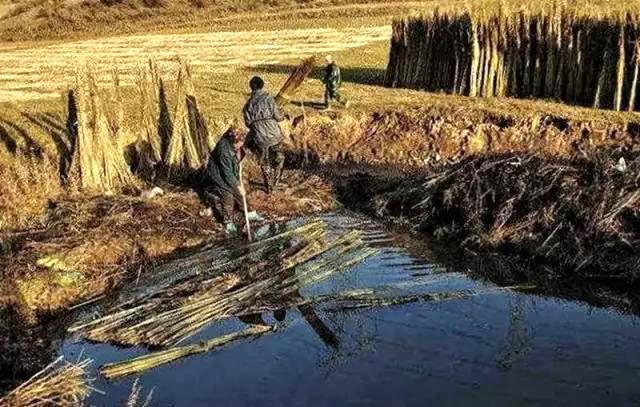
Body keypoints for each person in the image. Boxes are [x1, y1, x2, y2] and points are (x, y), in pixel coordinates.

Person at [204, 126, 262, 235]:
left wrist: (238, 186)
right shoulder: (224, 152)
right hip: (218, 174)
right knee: (228, 196)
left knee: (241, 194)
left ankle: (248, 213)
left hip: (229, 170)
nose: (242, 145)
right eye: (240, 143)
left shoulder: (234, 145)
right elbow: (227, 175)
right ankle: (227, 221)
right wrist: (237, 185)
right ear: (233, 142)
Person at [243, 76, 287, 194]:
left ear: (251, 87)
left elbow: (248, 124)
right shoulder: (268, 99)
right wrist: (283, 114)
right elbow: (278, 117)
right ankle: (276, 182)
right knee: (279, 158)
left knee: (264, 162)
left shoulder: (247, 105)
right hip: (274, 136)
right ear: (262, 85)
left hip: (259, 138)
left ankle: (269, 187)